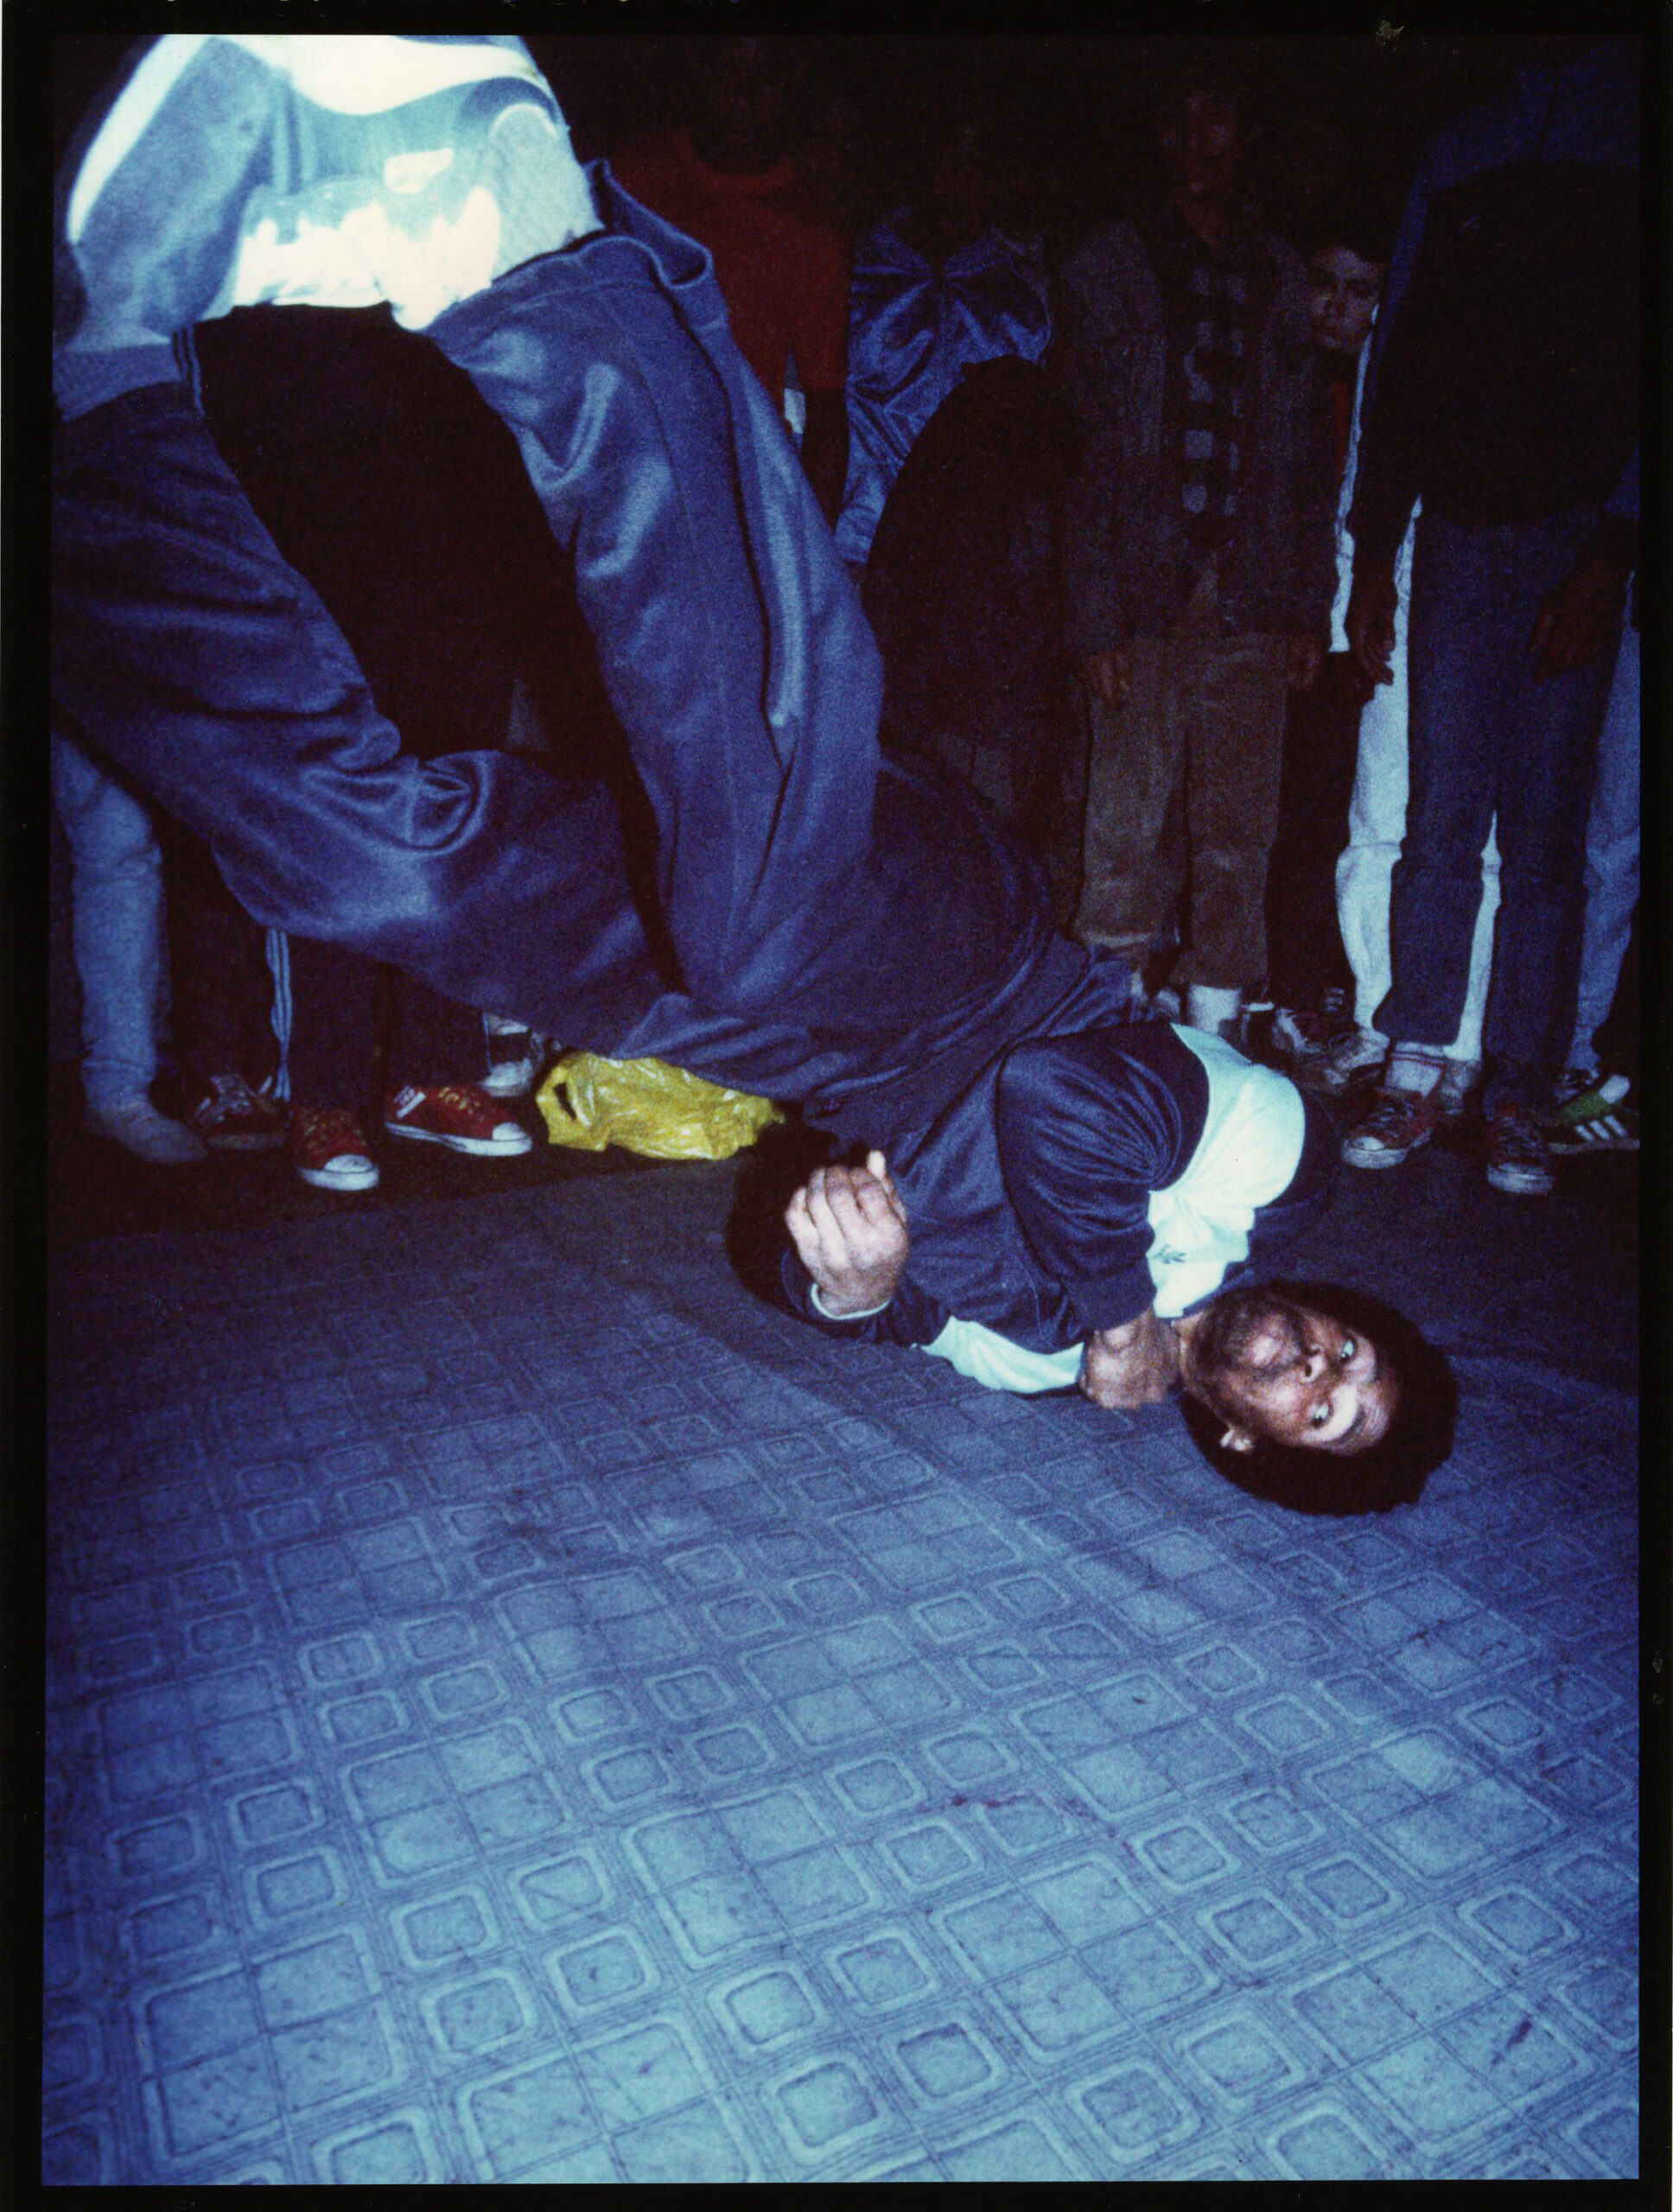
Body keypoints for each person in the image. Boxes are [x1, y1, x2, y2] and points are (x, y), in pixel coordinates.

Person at [51, 32, 1447, 1505]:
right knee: (758, 919)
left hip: (790, 1044)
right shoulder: (1269, 1168)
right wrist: (1116, 1312)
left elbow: (872, 1310)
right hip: (965, 951)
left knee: (362, 871)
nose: (1316, 1365)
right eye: (1352, 1355)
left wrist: (850, 1281)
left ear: (1242, 1441)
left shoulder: (1038, 1368)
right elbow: (1062, 1103)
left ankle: (102, 387)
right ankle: (519, 234)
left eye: (1319, 1414)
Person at [1342, 35, 1638, 1198]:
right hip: (1455, 531)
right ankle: (1418, 1063)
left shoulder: (1631, 129)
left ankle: (1517, 1085)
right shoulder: (1459, 142)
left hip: (1576, 531)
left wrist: (1612, 550)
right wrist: (1375, 552)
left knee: (1551, 836)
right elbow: (1401, 355)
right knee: (1442, 815)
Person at [1055, 48, 1338, 1042]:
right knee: (1122, 831)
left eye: (1215, 119)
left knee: (1236, 839)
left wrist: (1307, 604)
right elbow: (1078, 457)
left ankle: (1215, 1038)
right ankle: (1099, 1043)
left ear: (1244, 135)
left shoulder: (1280, 277)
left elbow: (1307, 454)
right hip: (1142, 596)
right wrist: (1093, 614)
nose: (1196, 145)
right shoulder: (1105, 266)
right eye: (1176, 123)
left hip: (1253, 597)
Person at [1268, 211, 1499, 1123]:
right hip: (1356, 612)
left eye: (1364, 288)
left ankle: (1458, 1035)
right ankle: (1377, 1014)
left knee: (1457, 826)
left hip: (1436, 599)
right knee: (1374, 816)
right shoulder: (1318, 371)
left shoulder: (1424, 363)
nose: (1344, 305)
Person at [613, 36, 850, 521]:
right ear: (699, 71)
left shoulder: (811, 227)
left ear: (791, 86)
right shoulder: (630, 178)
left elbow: (827, 410)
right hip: (625, 473)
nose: (745, 95)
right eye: (730, 72)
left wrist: (811, 558)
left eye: (766, 79)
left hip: (737, 497)